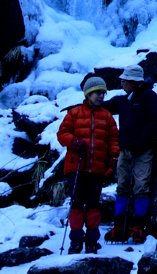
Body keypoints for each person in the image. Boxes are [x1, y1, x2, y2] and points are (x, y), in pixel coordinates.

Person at [57, 76, 119, 254]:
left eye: (103, 93)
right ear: (88, 93)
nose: (101, 96)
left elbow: (114, 138)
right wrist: (74, 141)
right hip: (75, 167)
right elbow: (62, 134)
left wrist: (113, 157)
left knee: (93, 203)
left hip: (97, 168)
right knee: (77, 202)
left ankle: (92, 240)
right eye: (98, 92)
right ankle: (76, 240)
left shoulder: (107, 117)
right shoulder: (74, 113)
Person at [102, 64, 157, 244]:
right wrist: (85, 104)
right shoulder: (124, 99)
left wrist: (140, 143)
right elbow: (106, 106)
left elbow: (153, 123)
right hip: (125, 150)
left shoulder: (150, 97)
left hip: (142, 151)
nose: (121, 82)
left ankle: (137, 226)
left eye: (124, 80)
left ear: (132, 81)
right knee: (122, 186)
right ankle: (120, 225)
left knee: (141, 186)